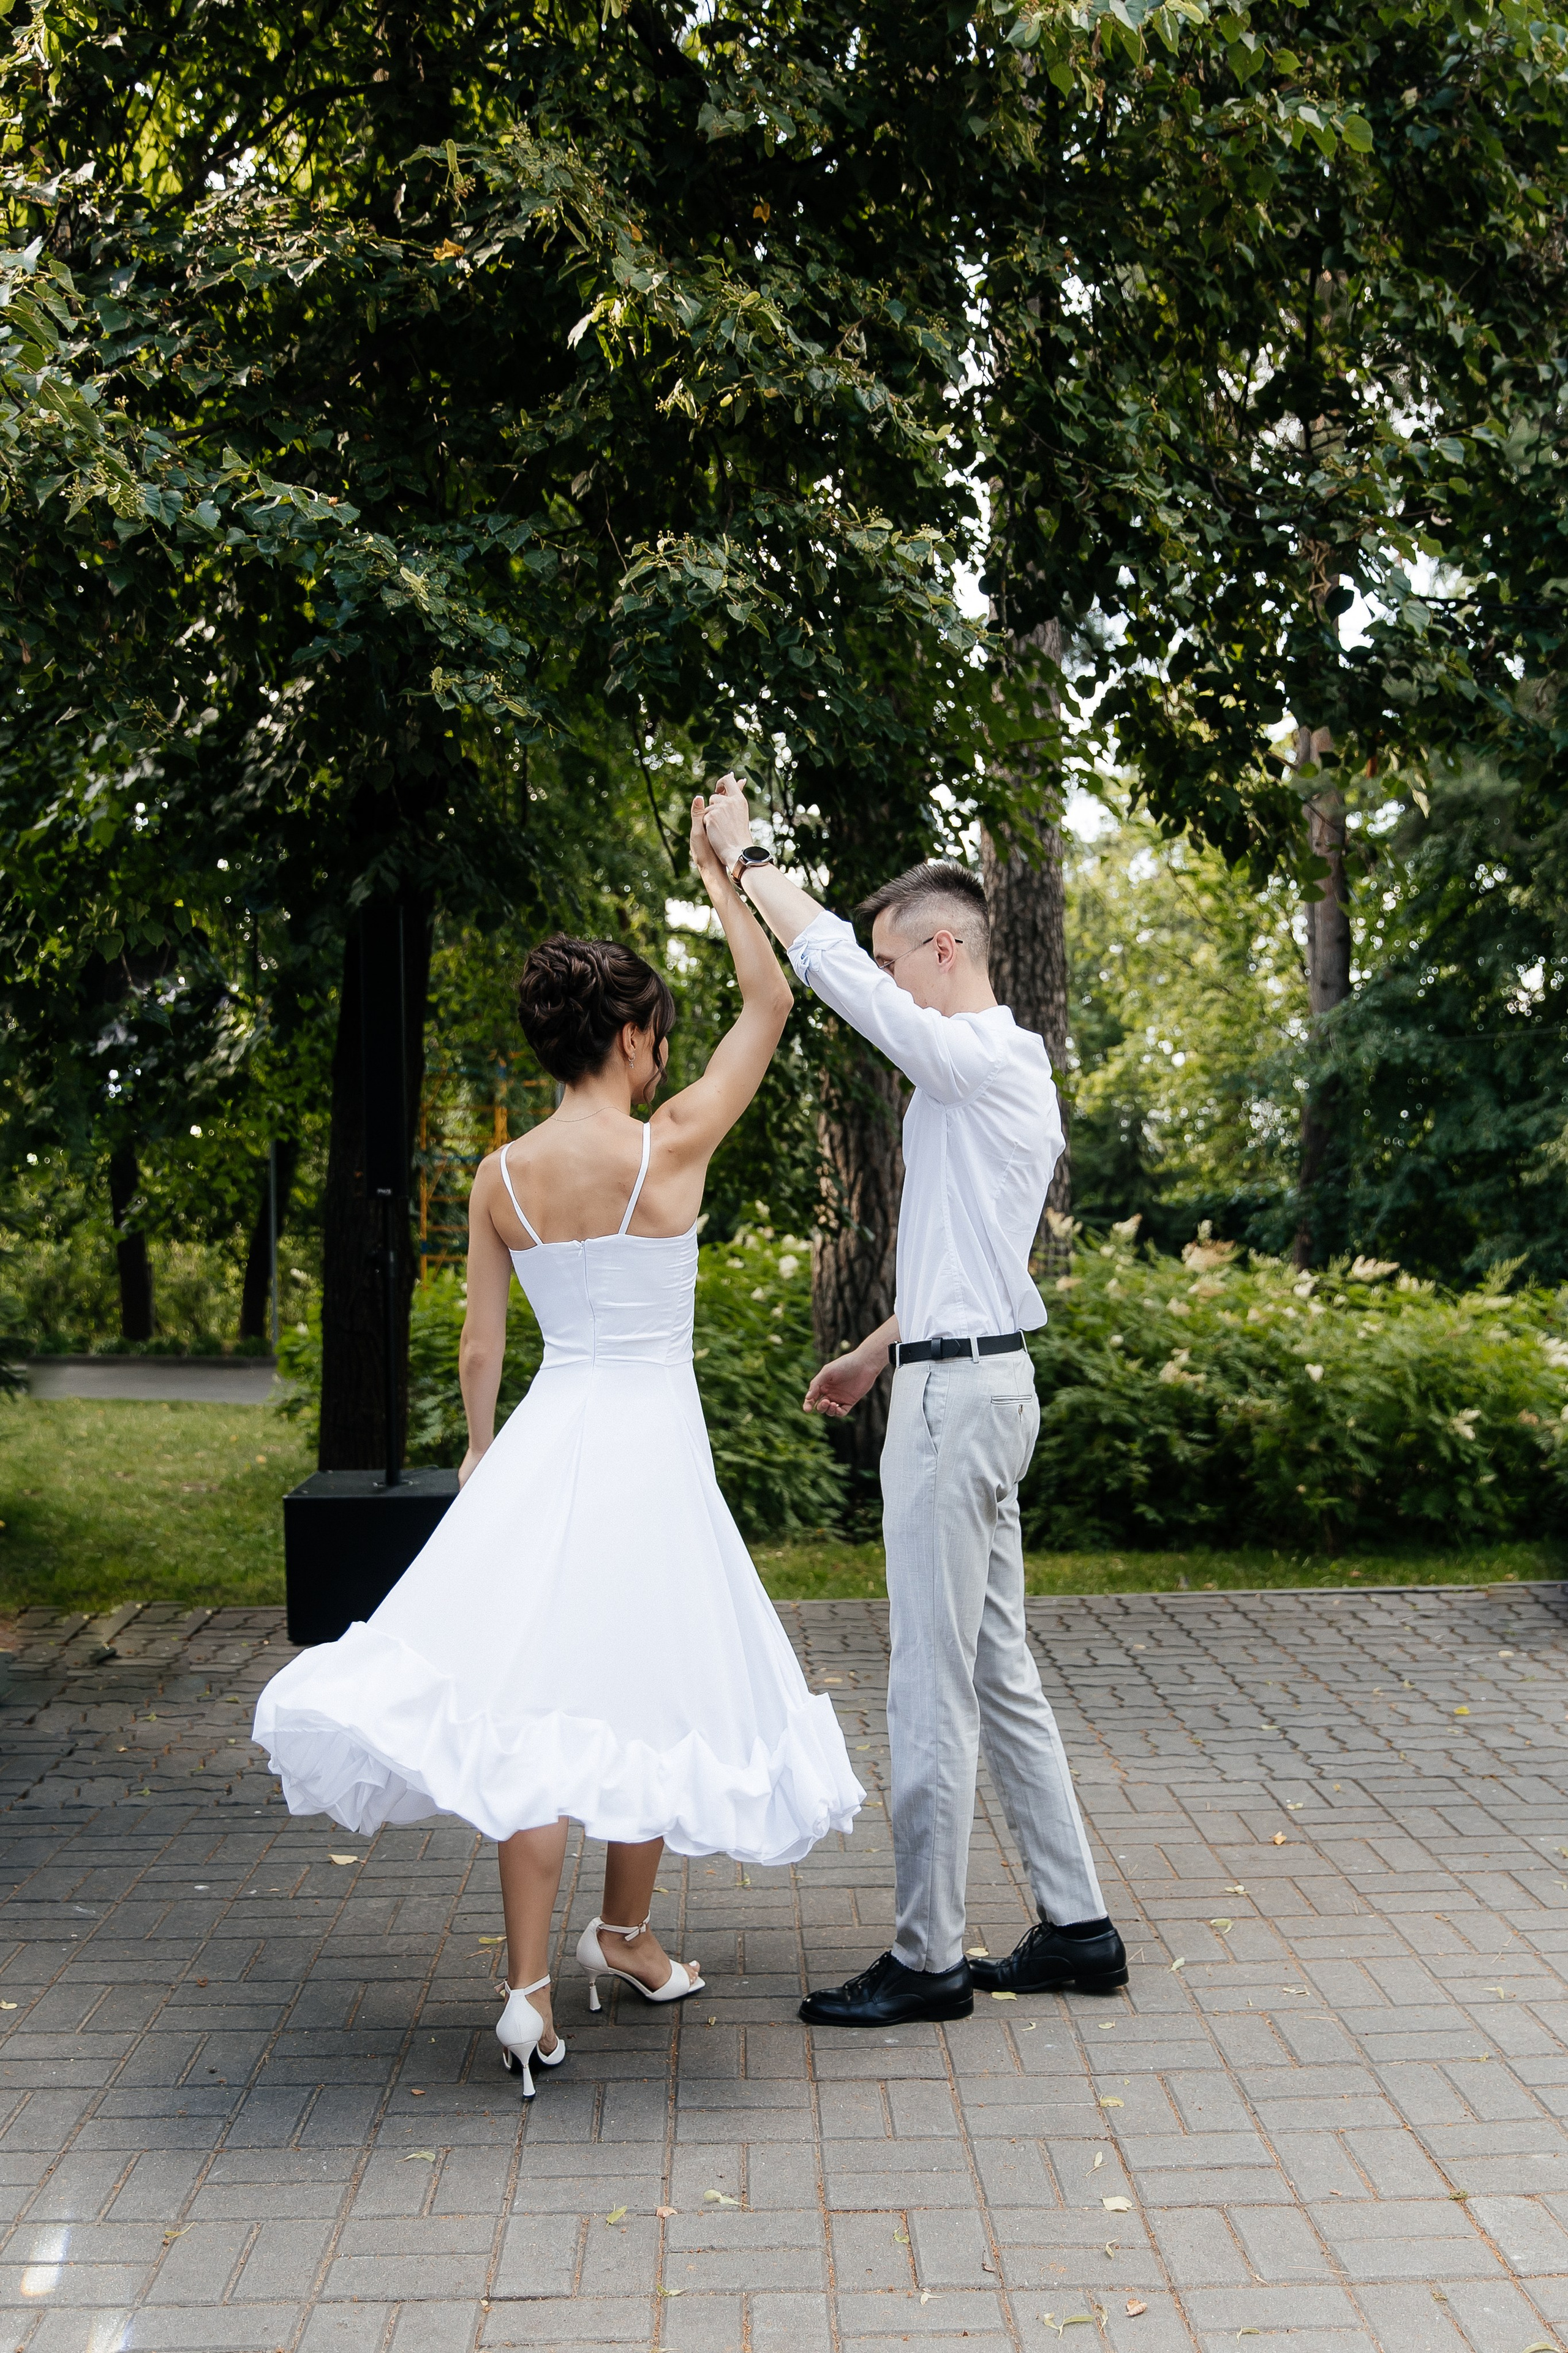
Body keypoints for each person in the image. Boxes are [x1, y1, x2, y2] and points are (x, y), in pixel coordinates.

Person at [254, 789, 862, 2094]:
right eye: (656, 1034)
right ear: (637, 1037)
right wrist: (721, 878)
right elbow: (771, 1007)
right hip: (650, 1446)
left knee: (532, 1696)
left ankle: (532, 1988)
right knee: (643, 1680)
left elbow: (481, 1347)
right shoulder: (671, 1146)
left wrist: (479, 1454)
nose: (663, 1052)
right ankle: (627, 1930)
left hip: (548, 1437)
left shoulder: (501, 1176)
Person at [701, 779, 1124, 2028]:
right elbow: (976, 1264)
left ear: (944, 950)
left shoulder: (982, 1056)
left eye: (902, 962)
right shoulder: (980, 1085)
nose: (887, 986)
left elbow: (836, 972)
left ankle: (927, 1955)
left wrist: (748, 855)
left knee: (928, 1680)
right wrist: (881, 1346)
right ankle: (1076, 1928)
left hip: (963, 1409)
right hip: (965, 1374)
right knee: (995, 1667)